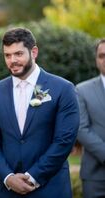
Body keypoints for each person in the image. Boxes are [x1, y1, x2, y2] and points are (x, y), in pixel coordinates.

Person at [0, 27, 79, 197]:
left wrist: (33, 177)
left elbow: (64, 141)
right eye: (8, 55)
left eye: (18, 54)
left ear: (34, 52)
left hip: (50, 188)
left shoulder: (63, 89)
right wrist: (9, 177)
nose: (12, 60)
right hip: (8, 190)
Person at [76, 38, 105, 198]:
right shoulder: (81, 90)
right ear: (96, 60)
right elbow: (81, 128)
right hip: (95, 177)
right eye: (102, 56)